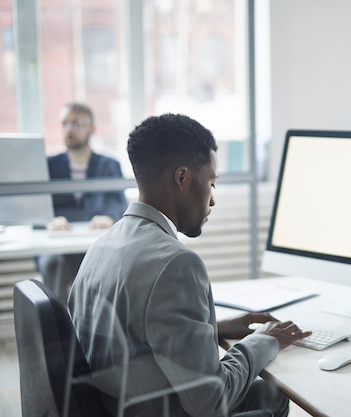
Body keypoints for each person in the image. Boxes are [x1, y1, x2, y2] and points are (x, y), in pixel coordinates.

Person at [68, 113, 311, 417]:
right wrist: (263, 341)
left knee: (263, 394)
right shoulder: (176, 264)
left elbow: (128, 333)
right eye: (211, 182)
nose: (212, 200)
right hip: (153, 408)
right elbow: (211, 403)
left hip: (118, 401)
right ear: (182, 178)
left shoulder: (104, 245)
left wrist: (213, 328)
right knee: (271, 399)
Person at [36, 103, 128, 302]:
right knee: (53, 263)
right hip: (58, 246)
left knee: (110, 266)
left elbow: (120, 205)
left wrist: (110, 217)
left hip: (93, 245)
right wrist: (49, 219)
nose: (69, 129)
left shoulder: (109, 165)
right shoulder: (48, 166)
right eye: (65, 124)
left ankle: (94, 328)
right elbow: (36, 207)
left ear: (92, 129)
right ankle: (59, 329)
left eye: (76, 124)